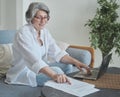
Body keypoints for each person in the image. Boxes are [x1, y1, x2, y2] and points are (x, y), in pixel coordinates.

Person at [5, 2, 91, 87]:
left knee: (68, 66)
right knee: (57, 71)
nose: (43, 21)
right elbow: (34, 60)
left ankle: (67, 85)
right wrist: (54, 75)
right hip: (24, 72)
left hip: (41, 67)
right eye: (39, 17)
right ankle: (65, 84)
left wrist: (76, 62)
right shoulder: (23, 33)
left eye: (45, 17)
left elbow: (57, 53)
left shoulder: (44, 32)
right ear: (30, 18)